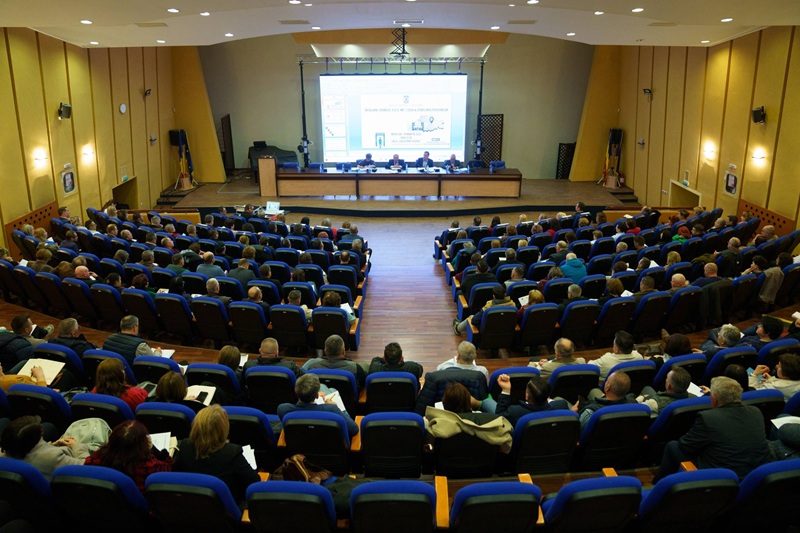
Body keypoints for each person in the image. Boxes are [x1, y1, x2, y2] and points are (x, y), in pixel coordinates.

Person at [653, 376, 770, 482]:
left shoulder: (708, 417)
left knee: (672, 446)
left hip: (719, 475)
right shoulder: (756, 412)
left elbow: (685, 446)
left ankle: (659, 485)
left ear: (714, 399)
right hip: (755, 472)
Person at [173, 405, 260, 505]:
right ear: (223, 428)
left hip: (191, 505)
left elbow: (176, 475)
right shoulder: (232, 452)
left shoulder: (184, 446)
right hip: (225, 508)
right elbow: (254, 481)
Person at [84, 420, 173, 494]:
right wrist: (154, 449)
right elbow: (170, 467)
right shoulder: (148, 466)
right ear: (141, 446)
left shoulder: (94, 460)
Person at [0, 415, 89, 480]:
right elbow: (86, 467)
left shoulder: (4, 452)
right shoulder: (54, 457)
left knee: (48, 426)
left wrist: (51, 446)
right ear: (38, 436)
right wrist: (76, 446)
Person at [277, 373, 359, 435]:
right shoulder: (332, 409)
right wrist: (337, 408)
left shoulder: (283, 409)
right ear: (317, 395)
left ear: (295, 391)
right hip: (330, 447)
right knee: (331, 390)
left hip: (299, 447)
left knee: (330, 389)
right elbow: (354, 429)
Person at [489, 375, 569, 426]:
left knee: (487, 401)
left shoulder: (514, 412)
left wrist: (506, 390)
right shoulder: (561, 405)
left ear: (527, 396)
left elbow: (499, 418)